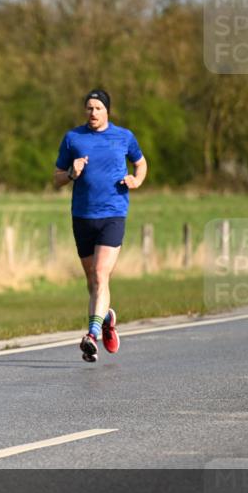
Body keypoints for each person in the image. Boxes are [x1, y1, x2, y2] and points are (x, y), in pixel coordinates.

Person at [54, 89, 148, 363]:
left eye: (97, 108)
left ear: (107, 110)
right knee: (93, 282)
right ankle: (106, 318)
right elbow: (56, 178)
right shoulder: (73, 138)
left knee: (100, 274)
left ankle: (91, 335)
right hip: (82, 215)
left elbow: (141, 164)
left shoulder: (123, 136)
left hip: (113, 214)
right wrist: (72, 172)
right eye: (89, 108)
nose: (92, 112)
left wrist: (136, 180)